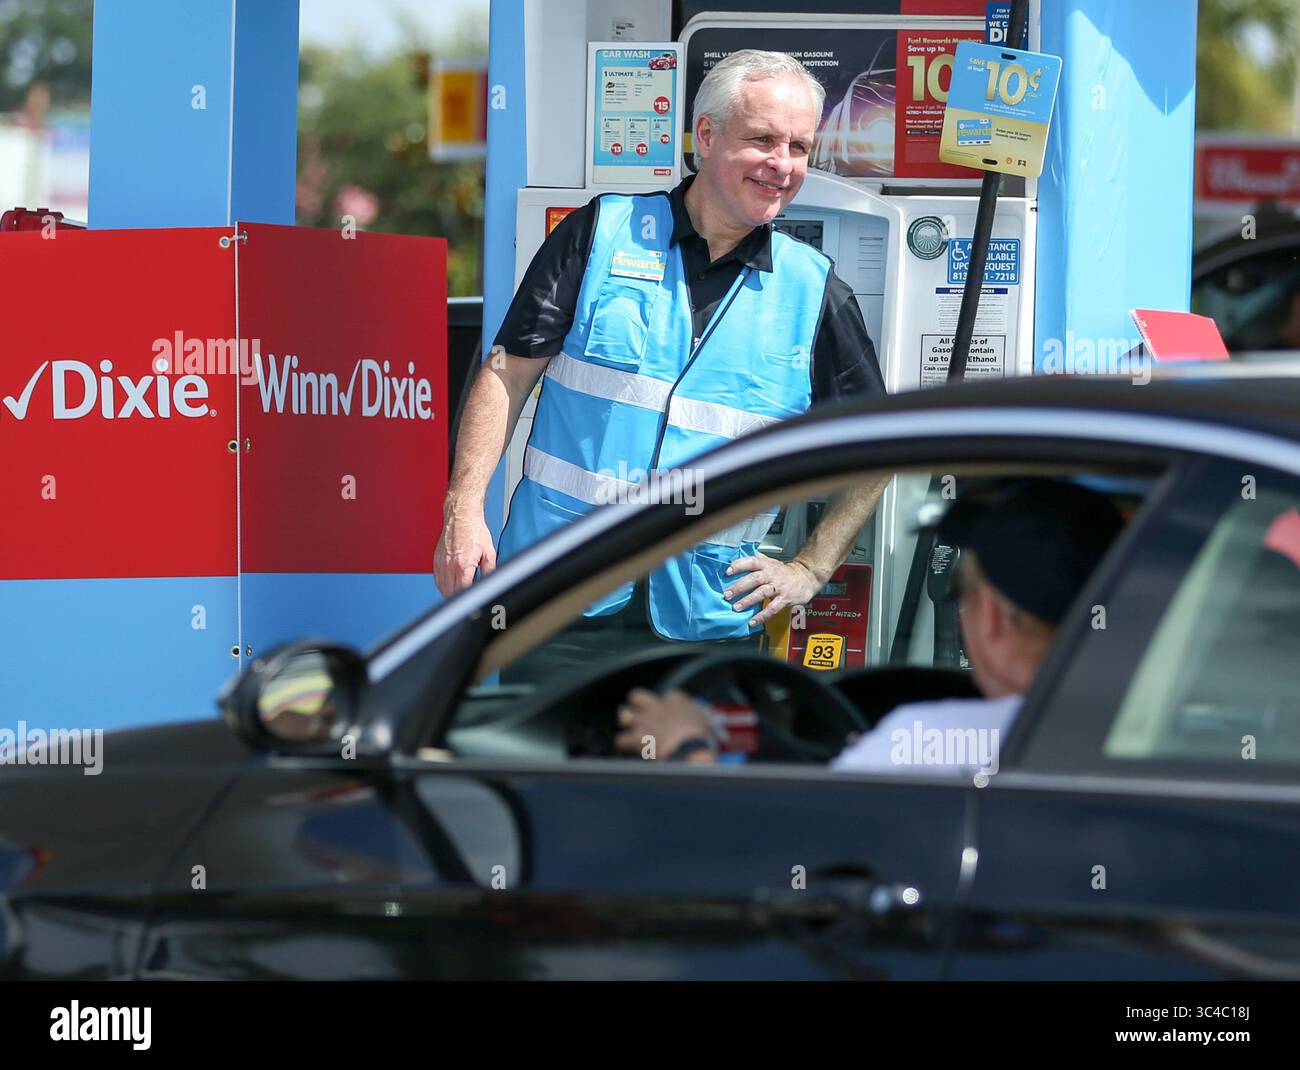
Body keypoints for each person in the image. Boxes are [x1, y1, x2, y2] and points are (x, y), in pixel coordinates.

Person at [434, 49, 888, 652]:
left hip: (710, 618)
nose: (782, 165)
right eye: (762, 140)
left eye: (799, 147)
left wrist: (810, 568)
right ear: (706, 134)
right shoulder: (601, 233)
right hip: (556, 593)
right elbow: (506, 375)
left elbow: (879, 446)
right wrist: (463, 513)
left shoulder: (814, 290)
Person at [614, 479, 1125, 771]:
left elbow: (767, 852)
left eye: (962, 593)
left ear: (990, 617)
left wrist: (686, 748)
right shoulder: (1156, 740)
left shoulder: (927, 744)